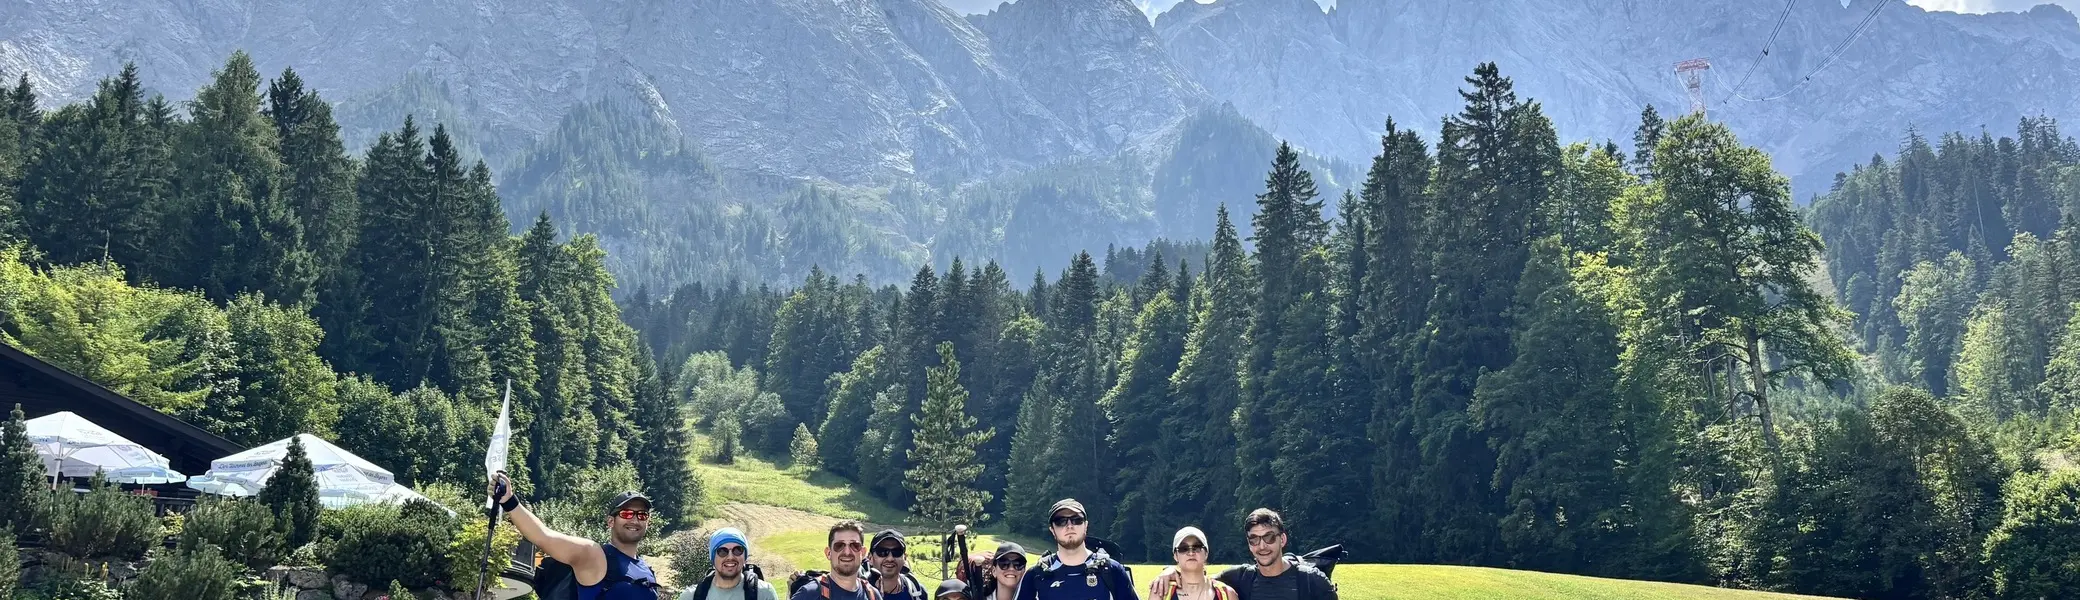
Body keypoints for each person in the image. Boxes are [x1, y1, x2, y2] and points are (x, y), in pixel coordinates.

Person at [490, 471, 663, 600]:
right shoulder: (593, 555)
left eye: (642, 515)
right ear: (611, 521)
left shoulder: (647, 571)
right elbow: (543, 536)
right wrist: (509, 501)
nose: (634, 520)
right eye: (626, 514)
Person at [1143, 509, 1334, 600]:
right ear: (1249, 544)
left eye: (1268, 537)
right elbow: (1197, 578)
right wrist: (1169, 571)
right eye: (1254, 539)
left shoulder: (1311, 582)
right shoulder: (1240, 578)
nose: (1262, 546)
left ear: (1282, 540)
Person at [1014, 499, 1137, 600]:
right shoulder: (1036, 575)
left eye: (1076, 520)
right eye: (1061, 521)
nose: (1069, 526)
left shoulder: (1111, 571)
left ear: (1085, 525)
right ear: (1052, 529)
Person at [679, 527, 779, 600]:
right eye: (722, 551)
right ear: (713, 558)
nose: (730, 557)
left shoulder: (764, 593)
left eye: (737, 550)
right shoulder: (690, 596)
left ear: (745, 557)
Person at [790, 520, 878, 600]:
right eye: (839, 546)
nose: (847, 552)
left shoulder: (873, 595)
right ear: (828, 553)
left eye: (854, 545)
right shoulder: (810, 594)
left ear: (862, 553)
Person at [1153, 527, 1237, 600]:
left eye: (1197, 547)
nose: (1190, 553)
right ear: (1175, 556)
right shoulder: (1161, 593)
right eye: (1183, 548)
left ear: (1206, 553)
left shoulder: (1227, 594)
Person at [865, 529, 927, 600]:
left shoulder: (918, 593)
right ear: (870, 558)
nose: (890, 558)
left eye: (897, 552)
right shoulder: (860, 592)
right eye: (882, 552)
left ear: (905, 558)